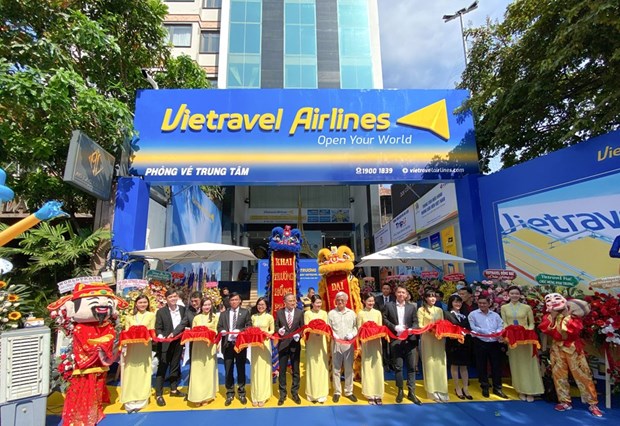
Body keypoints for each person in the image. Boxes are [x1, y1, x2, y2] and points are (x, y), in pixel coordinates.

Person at [539, 293, 603, 417]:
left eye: (557, 299)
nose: (553, 301)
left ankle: (592, 403)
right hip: (557, 348)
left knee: (582, 375)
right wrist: (553, 317)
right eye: (549, 300)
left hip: (572, 348)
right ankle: (564, 401)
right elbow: (548, 331)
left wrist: (566, 316)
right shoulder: (548, 317)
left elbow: (573, 332)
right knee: (559, 375)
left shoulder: (574, 317)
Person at [500, 286, 544, 402]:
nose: (514, 295)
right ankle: (520, 390)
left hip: (526, 340)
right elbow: (504, 322)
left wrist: (527, 333)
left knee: (529, 364)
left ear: (520, 295)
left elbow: (531, 323)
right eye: (512, 293)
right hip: (513, 341)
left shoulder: (527, 307)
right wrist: (508, 334)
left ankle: (531, 390)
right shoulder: (504, 308)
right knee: (516, 364)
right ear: (508, 295)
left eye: (516, 293)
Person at [383, 285, 421, 404]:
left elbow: (416, 321)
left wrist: (411, 329)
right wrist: (394, 327)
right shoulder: (389, 306)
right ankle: (400, 390)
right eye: (399, 292)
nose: (401, 294)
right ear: (395, 293)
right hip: (396, 339)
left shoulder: (412, 307)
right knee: (398, 367)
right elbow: (384, 319)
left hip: (410, 340)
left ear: (406, 294)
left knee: (411, 367)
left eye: (403, 292)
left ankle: (411, 392)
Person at [120, 295, 155, 413]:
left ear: (148, 303)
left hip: (144, 348)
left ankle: (141, 400)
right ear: (136, 304)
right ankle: (129, 400)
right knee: (130, 372)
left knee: (143, 372)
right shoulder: (129, 317)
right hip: (132, 348)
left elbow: (152, 331)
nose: (142, 304)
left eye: (145, 302)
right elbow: (126, 332)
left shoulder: (151, 315)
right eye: (140, 302)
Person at [468, 295, 508, 399]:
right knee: (481, 365)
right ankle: (484, 386)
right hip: (480, 342)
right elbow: (473, 327)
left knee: (496, 365)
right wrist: (486, 332)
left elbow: (500, 325)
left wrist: (497, 332)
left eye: (484, 303)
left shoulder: (495, 315)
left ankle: (497, 387)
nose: (482, 305)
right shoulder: (473, 314)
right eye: (480, 303)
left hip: (494, 342)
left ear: (489, 304)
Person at [217, 291, 252, 406]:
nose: (234, 302)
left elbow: (249, 326)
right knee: (228, 369)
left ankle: (241, 392)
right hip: (227, 345)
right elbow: (219, 326)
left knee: (241, 368)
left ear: (240, 301)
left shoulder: (245, 312)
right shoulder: (224, 314)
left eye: (236, 299)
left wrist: (240, 331)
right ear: (229, 301)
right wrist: (221, 331)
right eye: (232, 300)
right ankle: (230, 392)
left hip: (240, 345)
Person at [154, 289, 187, 407]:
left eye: (174, 296)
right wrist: (160, 335)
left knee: (175, 365)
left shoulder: (182, 309)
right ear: (166, 299)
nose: (173, 299)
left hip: (178, 342)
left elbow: (185, 323)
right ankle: (159, 394)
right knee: (162, 367)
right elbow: (158, 327)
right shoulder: (161, 312)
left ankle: (173, 389)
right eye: (170, 297)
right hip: (165, 343)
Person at [417, 288, 449, 402]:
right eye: (430, 296)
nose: (432, 298)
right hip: (427, 338)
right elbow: (420, 325)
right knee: (429, 362)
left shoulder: (439, 310)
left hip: (439, 339)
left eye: (434, 296)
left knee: (440, 363)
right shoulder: (421, 310)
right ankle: (431, 390)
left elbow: (442, 323)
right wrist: (430, 328)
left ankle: (442, 389)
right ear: (426, 298)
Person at [187, 297, 220, 405]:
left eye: (209, 305)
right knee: (197, 370)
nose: (207, 307)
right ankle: (197, 396)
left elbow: (217, 331)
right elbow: (193, 331)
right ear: (201, 306)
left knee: (208, 371)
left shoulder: (215, 317)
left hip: (209, 346)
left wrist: (210, 333)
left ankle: (207, 396)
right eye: (205, 305)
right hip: (198, 346)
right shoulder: (196, 318)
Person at [327, 291, 358, 403]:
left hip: (348, 344)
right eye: (338, 300)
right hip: (336, 344)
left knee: (349, 368)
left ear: (346, 301)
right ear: (335, 301)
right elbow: (328, 327)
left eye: (342, 300)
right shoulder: (331, 313)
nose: (340, 302)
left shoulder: (352, 313)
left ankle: (349, 391)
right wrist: (333, 334)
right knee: (336, 368)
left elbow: (356, 327)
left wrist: (352, 334)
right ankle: (337, 391)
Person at [275, 293, 305, 405]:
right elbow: (276, 326)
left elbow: (302, 327)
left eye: (294, 300)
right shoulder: (279, 312)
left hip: (294, 345)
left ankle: (295, 393)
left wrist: (299, 335)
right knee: (282, 371)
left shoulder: (300, 312)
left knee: (295, 370)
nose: (293, 303)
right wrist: (279, 331)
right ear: (285, 302)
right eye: (290, 301)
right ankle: (282, 394)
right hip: (283, 345)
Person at [357, 293, 384, 405]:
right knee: (368, 367)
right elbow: (359, 329)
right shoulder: (360, 313)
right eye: (369, 301)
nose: (371, 303)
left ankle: (378, 393)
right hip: (366, 344)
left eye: (372, 301)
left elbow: (380, 328)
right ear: (364, 301)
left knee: (377, 367)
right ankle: (369, 394)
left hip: (376, 343)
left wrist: (375, 332)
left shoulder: (378, 313)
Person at [444, 295, 473, 400]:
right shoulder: (447, 314)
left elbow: (469, 328)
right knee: (455, 365)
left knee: (464, 366)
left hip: (465, 343)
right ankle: (457, 388)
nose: (458, 304)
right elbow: (446, 327)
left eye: (459, 302)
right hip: (453, 343)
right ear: (451, 303)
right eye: (455, 302)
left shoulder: (464, 315)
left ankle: (465, 388)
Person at [304, 295, 329, 403]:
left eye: (320, 302)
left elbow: (326, 326)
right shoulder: (307, 313)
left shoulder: (324, 313)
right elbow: (306, 327)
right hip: (312, 342)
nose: (319, 305)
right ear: (312, 303)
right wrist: (314, 330)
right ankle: (311, 393)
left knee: (322, 367)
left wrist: (321, 331)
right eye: (317, 303)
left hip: (321, 342)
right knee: (312, 366)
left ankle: (322, 393)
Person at [249, 297, 274, 407]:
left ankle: (263, 396)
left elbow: (272, 330)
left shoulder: (269, 317)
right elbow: (250, 329)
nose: (261, 306)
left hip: (265, 344)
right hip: (255, 345)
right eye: (259, 304)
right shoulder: (253, 317)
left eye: (263, 304)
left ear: (266, 306)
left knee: (264, 369)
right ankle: (255, 395)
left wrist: (265, 334)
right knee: (255, 369)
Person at [374, 283, 395, 371]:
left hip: (392, 325)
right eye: (384, 288)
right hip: (381, 325)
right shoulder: (377, 299)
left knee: (393, 345)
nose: (386, 290)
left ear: (390, 290)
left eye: (387, 289)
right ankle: (385, 363)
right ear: (382, 290)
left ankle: (393, 363)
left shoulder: (394, 299)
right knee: (383, 345)